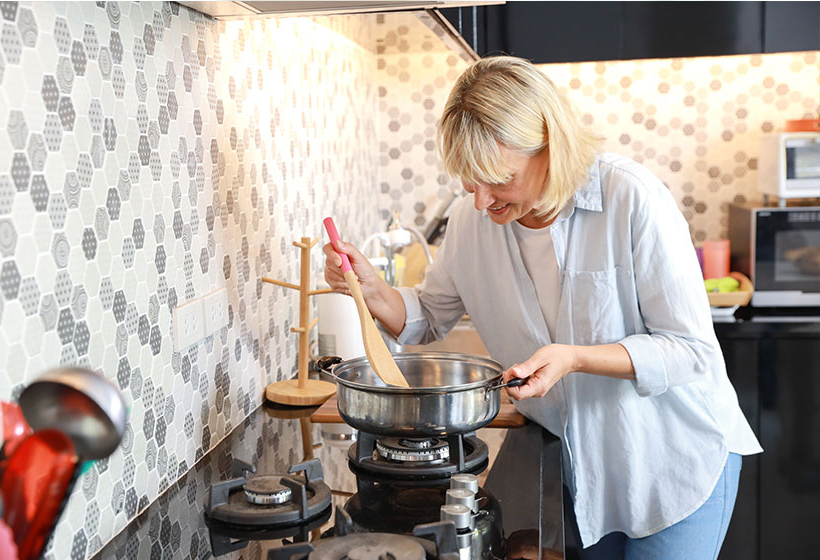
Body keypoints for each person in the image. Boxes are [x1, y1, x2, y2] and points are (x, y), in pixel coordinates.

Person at [323, 56, 761, 559]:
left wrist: (574, 357)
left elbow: (690, 351)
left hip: (671, 459)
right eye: (468, 181)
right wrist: (371, 289)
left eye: (497, 178)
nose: (482, 201)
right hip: (577, 465)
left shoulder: (631, 198)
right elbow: (428, 316)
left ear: (550, 146)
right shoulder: (471, 222)